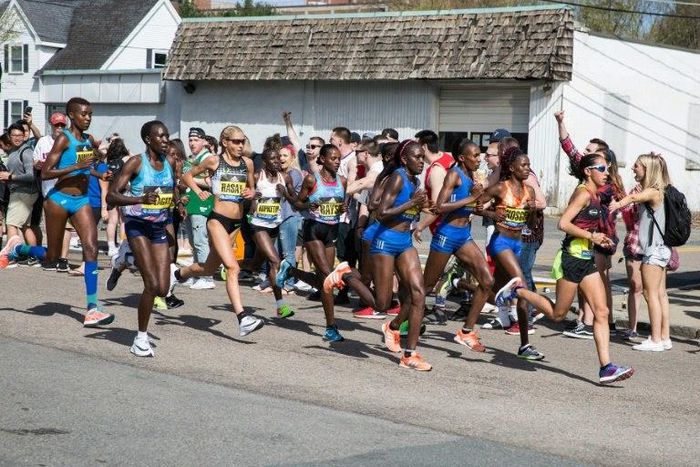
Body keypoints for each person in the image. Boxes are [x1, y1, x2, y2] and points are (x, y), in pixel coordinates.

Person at [496, 153, 634, 383]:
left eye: (607, 167)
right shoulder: (582, 193)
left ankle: (606, 367)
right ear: (588, 171)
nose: (606, 172)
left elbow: (586, 226)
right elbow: (563, 223)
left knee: (602, 312)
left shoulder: (596, 195)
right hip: (570, 258)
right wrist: (592, 236)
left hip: (585, 258)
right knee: (558, 314)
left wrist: (600, 239)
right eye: (601, 168)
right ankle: (517, 291)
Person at [1, 97, 114, 327]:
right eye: (84, 114)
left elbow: (86, 165)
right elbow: (47, 173)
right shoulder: (63, 139)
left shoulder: (88, 140)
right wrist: (76, 168)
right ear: (72, 115)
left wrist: (98, 174)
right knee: (52, 257)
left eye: (90, 114)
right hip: (58, 200)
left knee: (91, 247)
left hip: (81, 200)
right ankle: (17, 248)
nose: (88, 118)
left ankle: (92, 308)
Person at [170, 125, 264, 337]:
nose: (240, 146)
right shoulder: (214, 161)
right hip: (217, 220)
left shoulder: (247, 163)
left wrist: (252, 193)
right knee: (233, 268)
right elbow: (187, 176)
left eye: (242, 142)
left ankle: (176, 274)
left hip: (236, 222)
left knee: (208, 268)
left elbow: (252, 191)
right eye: (236, 142)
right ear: (225, 142)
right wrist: (198, 191)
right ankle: (243, 318)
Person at [275, 144, 374, 342]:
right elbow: (298, 203)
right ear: (322, 159)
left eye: (338, 158)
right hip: (314, 230)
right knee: (329, 277)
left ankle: (290, 271)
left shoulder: (343, 181)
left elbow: (338, 206)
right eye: (333, 158)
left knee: (325, 283)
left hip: (332, 232)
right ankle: (332, 326)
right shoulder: (312, 179)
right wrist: (306, 203)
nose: (337, 161)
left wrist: (342, 207)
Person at [106, 121, 178, 357]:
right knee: (151, 284)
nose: (166, 140)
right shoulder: (136, 162)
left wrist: (178, 202)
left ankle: (124, 260)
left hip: (158, 227)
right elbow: (112, 196)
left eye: (167, 136)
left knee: (163, 289)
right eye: (161, 136)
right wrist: (139, 200)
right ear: (148, 139)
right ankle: (141, 339)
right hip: (137, 226)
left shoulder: (169, 162)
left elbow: (170, 190)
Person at [422, 138, 493, 353]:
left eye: (480, 155)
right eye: (474, 156)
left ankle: (466, 332)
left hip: (463, 235)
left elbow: (473, 208)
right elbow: (439, 207)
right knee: (425, 287)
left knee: (487, 281)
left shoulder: (473, 176)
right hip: (446, 234)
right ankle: (397, 325)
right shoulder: (454, 174)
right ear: (462, 158)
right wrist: (470, 198)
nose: (479, 159)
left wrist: (491, 213)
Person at [475, 147, 544, 360]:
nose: (527, 169)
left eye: (529, 165)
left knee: (492, 286)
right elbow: (476, 207)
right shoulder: (499, 189)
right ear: (512, 168)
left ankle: (460, 284)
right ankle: (525, 344)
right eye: (523, 165)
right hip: (500, 243)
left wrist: (532, 211)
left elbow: (530, 225)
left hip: (518, 243)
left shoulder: (530, 192)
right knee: (521, 287)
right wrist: (492, 213)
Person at [370, 140, 432, 371]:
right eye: (417, 157)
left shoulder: (415, 181)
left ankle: (410, 354)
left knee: (419, 293)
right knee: (382, 303)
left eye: (423, 158)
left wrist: (426, 206)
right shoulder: (397, 177)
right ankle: (346, 275)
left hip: (405, 242)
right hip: (385, 241)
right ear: (404, 159)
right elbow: (381, 212)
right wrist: (411, 202)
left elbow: (414, 209)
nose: (421, 162)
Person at [609, 153, 672, 352]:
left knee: (650, 293)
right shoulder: (661, 189)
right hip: (660, 249)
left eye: (636, 166)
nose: (633, 168)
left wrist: (618, 204)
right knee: (660, 294)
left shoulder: (653, 191)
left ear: (647, 169)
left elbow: (636, 197)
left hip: (653, 251)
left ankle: (654, 339)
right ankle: (664, 337)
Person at [243, 146, 296, 317]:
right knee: (275, 261)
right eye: (273, 159)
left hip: (274, 225)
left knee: (255, 265)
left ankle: (233, 265)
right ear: (265, 162)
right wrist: (252, 197)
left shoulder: (285, 177)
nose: (277, 161)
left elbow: (295, 200)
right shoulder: (258, 177)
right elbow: (243, 197)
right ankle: (281, 306)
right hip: (258, 225)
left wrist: (285, 193)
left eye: (279, 158)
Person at [183, 127, 215, 290]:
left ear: (203, 141)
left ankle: (207, 276)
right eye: (190, 140)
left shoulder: (208, 158)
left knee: (201, 240)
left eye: (196, 140)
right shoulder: (191, 158)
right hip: (191, 203)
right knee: (193, 241)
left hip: (202, 203)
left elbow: (211, 183)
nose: (192, 143)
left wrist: (191, 180)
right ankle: (196, 273)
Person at [0, 123, 40, 254]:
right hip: (19, 192)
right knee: (25, 226)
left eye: (20, 135)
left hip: (24, 193)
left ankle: (12, 256)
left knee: (11, 224)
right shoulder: (13, 151)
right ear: (9, 137)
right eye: (14, 135)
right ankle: (34, 256)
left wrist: (10, 177)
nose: (17, 138)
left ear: (24, 136)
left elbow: (31, 176)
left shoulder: (26, 151)